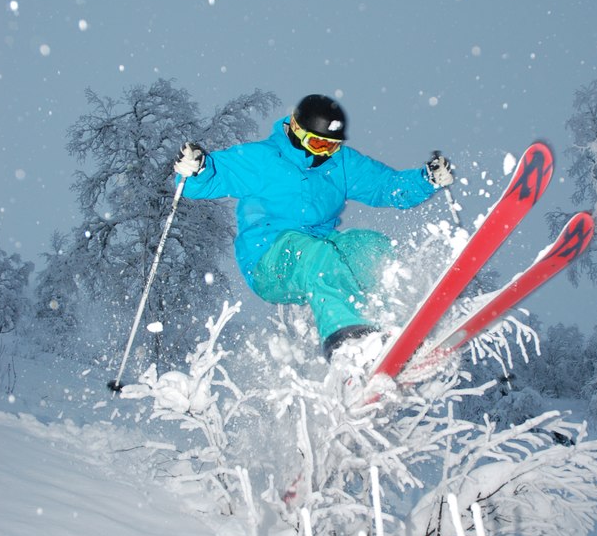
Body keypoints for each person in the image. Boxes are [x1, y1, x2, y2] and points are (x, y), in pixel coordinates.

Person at [174, 94, 453, 362]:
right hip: (269, 258)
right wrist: (198, 168)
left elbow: (385, 186)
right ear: (296, 130)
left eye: (331, 146)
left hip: (321, 248)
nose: (324, 153)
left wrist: (425, 180)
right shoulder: (262, 159)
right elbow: (215, 176)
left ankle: (395, 327)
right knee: (314, 255)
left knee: (370, 246)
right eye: (318, 144)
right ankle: (349, 346)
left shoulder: (340, 163)